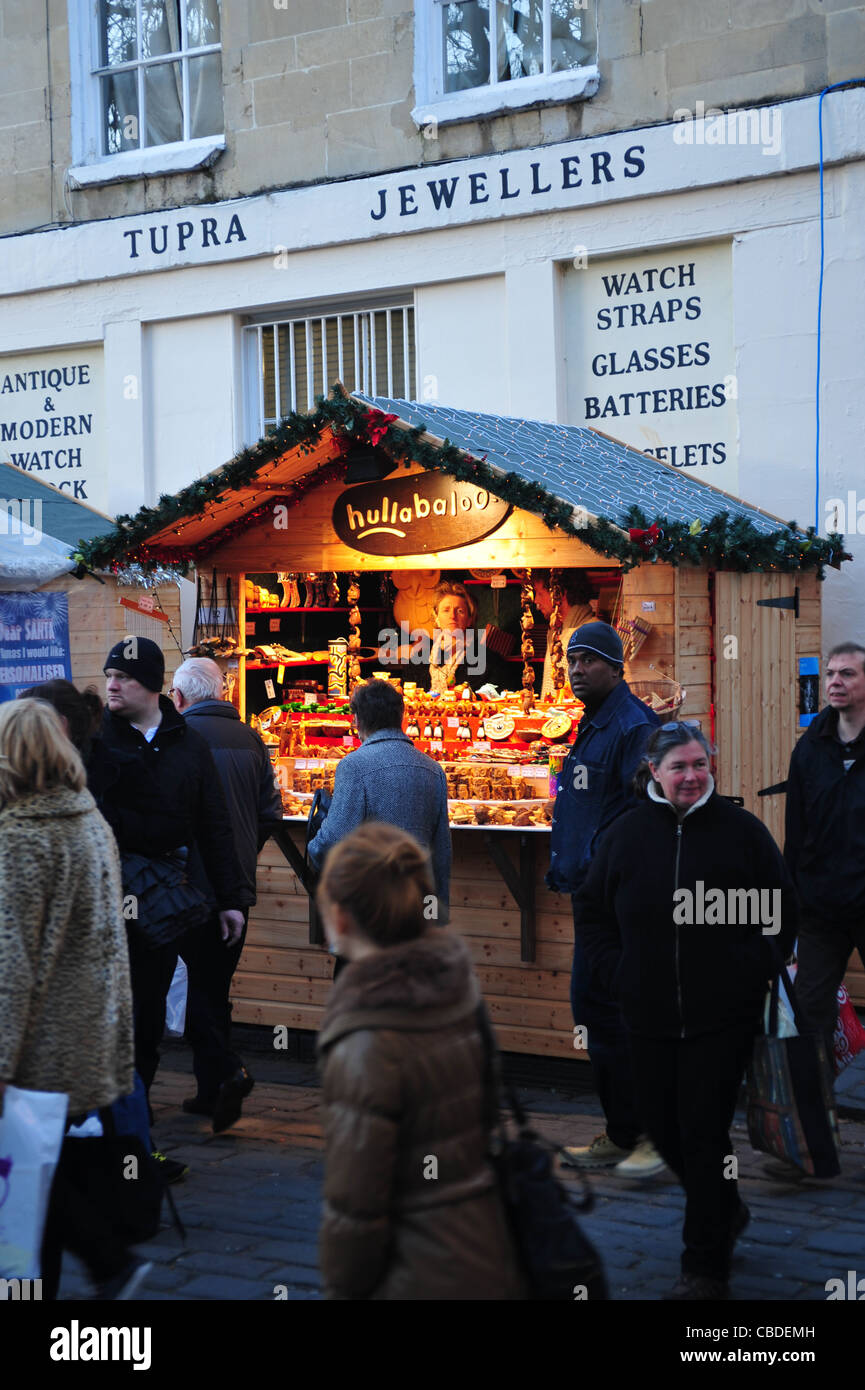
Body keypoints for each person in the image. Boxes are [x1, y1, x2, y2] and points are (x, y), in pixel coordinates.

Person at [574, 723, 798, 1299]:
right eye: (679, 767)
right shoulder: (625, 836)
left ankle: (704, 1266)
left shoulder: (741, 833)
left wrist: (751, 969)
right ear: (654, 772)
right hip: (645, 1015)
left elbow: (779, 911)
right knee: (663, 1127)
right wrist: (616, 973)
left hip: (721, 1019)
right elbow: (593, 914)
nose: (692, 776)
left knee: (703, 1134)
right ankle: (723, 1206)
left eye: (700, 764)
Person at [315, 822, 526, 1300]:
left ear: (342, 918)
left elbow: (356, 1207)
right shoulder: (457, 991)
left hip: (413, 1270)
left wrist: (343, 1288)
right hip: (488, 1239)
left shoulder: (365, 1042)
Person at [0, 699, 147, 1299]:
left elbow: (10, 968)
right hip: (88, 1039)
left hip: (38, 1049)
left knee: (27, 1201)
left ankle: (103, 1262)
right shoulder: (91, 821)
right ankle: (106, 1261)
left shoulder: (19, 840)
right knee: (46, 1181)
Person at [99, 636, 245, 1112]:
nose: (112, 685)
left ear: (149, 684)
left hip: (182, 895)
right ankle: (134, 1138)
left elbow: (214, 824)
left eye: (122, 677)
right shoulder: (97, 743)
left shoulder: (189, 743)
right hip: (121, 902)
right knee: (136, 1016)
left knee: (185, 1003)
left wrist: (229, 899)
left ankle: (213, 1085)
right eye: (109, 676)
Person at [547, 621, 664, 1177]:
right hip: (593, 895)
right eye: (571, 661)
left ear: (616, 667)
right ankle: (624, 1132)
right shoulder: (595, 723)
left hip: (621, 899)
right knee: (593, 1010)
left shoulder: (632, 725)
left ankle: (652, 1136)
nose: (576, 670)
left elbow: (645, 814)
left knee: (622, 1012)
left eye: (588, 661)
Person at [170, 657, 283, 1132]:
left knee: (188, 985)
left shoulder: (176, 740)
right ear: (222, 692)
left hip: (185, 884)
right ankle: (212, 1088)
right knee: (214, 986)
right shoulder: (251, 739)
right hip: (235, 886)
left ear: (178, 698)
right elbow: (271, 813)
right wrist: (241, 853)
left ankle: (226, 1070)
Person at [307, 677, 451, 918]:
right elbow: (441, 855)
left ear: (358, 720)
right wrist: (433, 915)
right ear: (401, 717)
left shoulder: (354, 766)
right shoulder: (433, 770)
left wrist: (312, 849)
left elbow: (333, 841)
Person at [784, 642, 865, 1064]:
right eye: (831, 673)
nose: (835, 681)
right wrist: (792, 893)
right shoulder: (811, 747)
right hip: (821, 908)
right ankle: (812, 1110)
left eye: (848, 673)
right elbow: (795, 828)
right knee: (809, 1011)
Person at [384, 579, 510, 693]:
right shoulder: (418, 660)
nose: (452, 616)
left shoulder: (490, 662)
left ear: (470, 619)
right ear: (436, 618)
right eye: (446, 610)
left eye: (460, 611)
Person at [532, 570, 595, 699]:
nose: (536, 600)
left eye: (540, 593)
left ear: (559, 593)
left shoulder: (591, 633)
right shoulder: (556, 632)